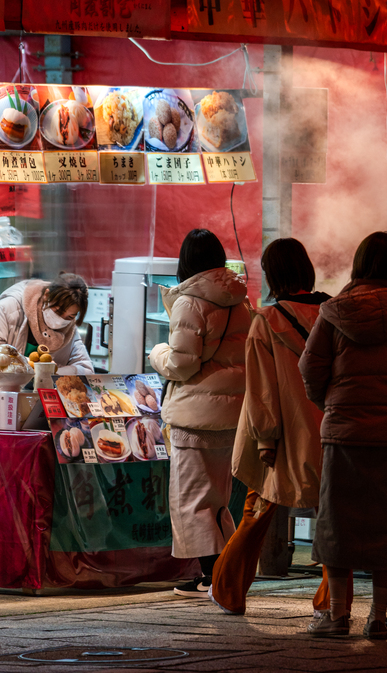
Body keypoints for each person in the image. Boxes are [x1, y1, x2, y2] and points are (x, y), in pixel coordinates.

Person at [299, 231, 387, 640]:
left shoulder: (334, 311)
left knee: (336, 525)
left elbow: (310, 368)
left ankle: (338, 615)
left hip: (344, 433)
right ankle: (378, 616)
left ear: (358, 265)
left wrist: (333, 403)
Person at [210, 238, 330, 616]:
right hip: (328, 430)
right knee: (332, 516)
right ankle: (329, 601)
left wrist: (264, 439)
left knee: (256, 511)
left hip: (279, 436)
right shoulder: (332, 313)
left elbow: (261, 390)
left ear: (272, 273)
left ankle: (228, 591)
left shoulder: (266, 320)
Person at [148, 229, 252, 597]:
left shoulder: (189, 302)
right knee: (219, 501)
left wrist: (157, 352)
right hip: (232, 415)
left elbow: (181, 364)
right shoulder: (240, 300)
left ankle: (214, 579)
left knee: (192, 501)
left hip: (195, 417)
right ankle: (222, 575)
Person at [0, 273, 93, 376]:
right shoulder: (8, 308)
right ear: (47, 295)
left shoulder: (68, 328)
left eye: (70, 316)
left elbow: (86, 370)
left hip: (17, 400)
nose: (62, 319)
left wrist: (53, 371)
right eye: (58, 310)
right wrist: (28, 366)